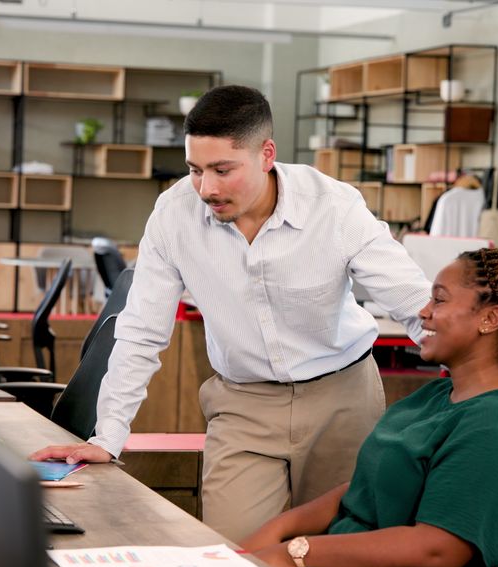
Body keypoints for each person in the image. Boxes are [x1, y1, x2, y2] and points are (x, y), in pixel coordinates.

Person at [31, 85, 430, 541]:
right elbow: (141, 331)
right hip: (243, 406)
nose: (207, 188)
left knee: (336, 547)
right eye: (196, 169)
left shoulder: (335, 208)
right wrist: (108, 436)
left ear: (266, 154)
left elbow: (415, 304)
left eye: (223, 169)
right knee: (233, 550)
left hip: (342, 401)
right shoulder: (174, 214)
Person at [241, 248, 498, 567]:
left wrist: (294, 553)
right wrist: (278, 531)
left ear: (490, 318)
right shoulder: (438, 396)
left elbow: (438, 551)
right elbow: (365, 489)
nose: (423, 312)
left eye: (439, 300)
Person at [428, 174, 485, 238]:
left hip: (450, 243)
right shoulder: (482, 197)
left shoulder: (447, 198)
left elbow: (437, 230)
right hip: (476, 244)